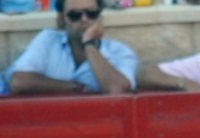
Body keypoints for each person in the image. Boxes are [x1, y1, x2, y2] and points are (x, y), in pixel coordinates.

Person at [7, 0, 137, 96]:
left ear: (100, 18)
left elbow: (115, 91)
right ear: (61, 19)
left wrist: (89, 45)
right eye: (75, 15)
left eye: (91, 14)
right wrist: (75, 88)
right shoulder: (48, 40)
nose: (84, 19)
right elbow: (18, 82)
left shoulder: (119, 52)